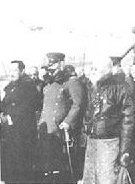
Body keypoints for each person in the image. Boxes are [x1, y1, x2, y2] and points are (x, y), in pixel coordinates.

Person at [82, 57, 134, 184]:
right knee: (90, 179)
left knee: (107, 179)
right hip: (92, 141)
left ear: (107, 69)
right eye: (93, 68)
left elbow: (128, 121)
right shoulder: (92, 86)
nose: (93, 71)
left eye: (96, 68)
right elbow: (88, 114)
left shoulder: (120, 87)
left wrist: (124, 150)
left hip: (110, 143)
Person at [37, 52, 85, 183]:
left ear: (61, 64)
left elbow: (78, 104)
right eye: (49, 68)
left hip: (61, 131)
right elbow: (44, 106)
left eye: (54, 67)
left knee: (63, 167)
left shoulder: (70, 82)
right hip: (47, 131)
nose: (51, 71)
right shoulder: (47, 85)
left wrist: (67, 122)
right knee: (47, 166)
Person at [0, 60, 41, 183]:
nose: (11, 73)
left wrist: (9, 117)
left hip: (23, 133)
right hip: (10, 132)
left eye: (15, 70)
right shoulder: (11, 86)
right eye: (10, 70)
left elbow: (26, 107)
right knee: (10, 165)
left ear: (22, 71)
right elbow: (5, 103)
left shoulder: (28, 86)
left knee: (22, 166)